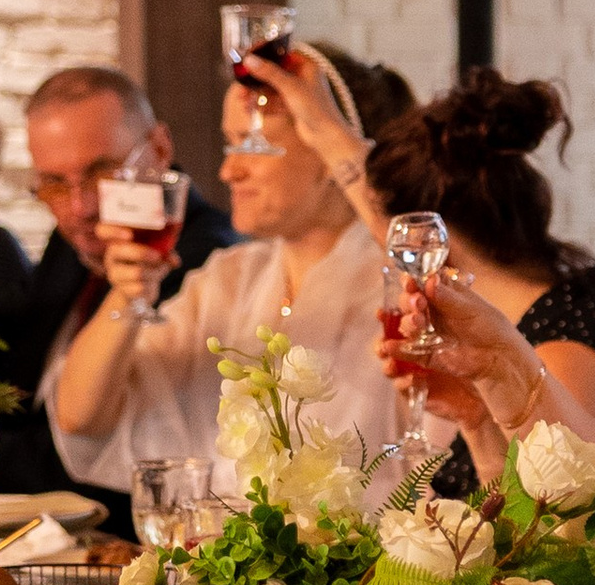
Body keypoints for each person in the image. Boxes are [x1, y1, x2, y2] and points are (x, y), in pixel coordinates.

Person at [46, 46, 411, 506]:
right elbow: (80, 417)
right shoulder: (229, 278)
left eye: (251, 145)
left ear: (327, 146)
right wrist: (126, 293)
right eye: (228, 143)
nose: (228, 170)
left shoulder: (403, 283)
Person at [357, 70, 595, 480]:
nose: (393, 260)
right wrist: (476, 418)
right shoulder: (527, 329)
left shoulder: (572, 345)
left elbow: (557, 525)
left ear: (433, 243)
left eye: (393, 243)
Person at [0, 65, 234, 527]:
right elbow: (20, 371)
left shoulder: (210, 264)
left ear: (159, 149)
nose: (80, 207)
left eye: (101, 171)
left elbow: (90, 444)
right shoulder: (76, 240)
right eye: (55, 184)